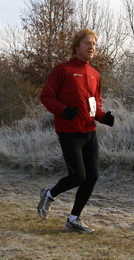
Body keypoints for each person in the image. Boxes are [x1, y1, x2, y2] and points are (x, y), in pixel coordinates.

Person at [37, 28, 115, 234]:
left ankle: (73, 219)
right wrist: (63, 111)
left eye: (94, 44)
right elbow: (46, 97)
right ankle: (49, 195)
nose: (92, 47)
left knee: (92, 177)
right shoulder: (63, 70)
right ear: (77, 46)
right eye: (88, 43)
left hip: (89, 132)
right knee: (78, 176)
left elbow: (93, 105)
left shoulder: (94, 74)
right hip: (69, 131)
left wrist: (103, 116)